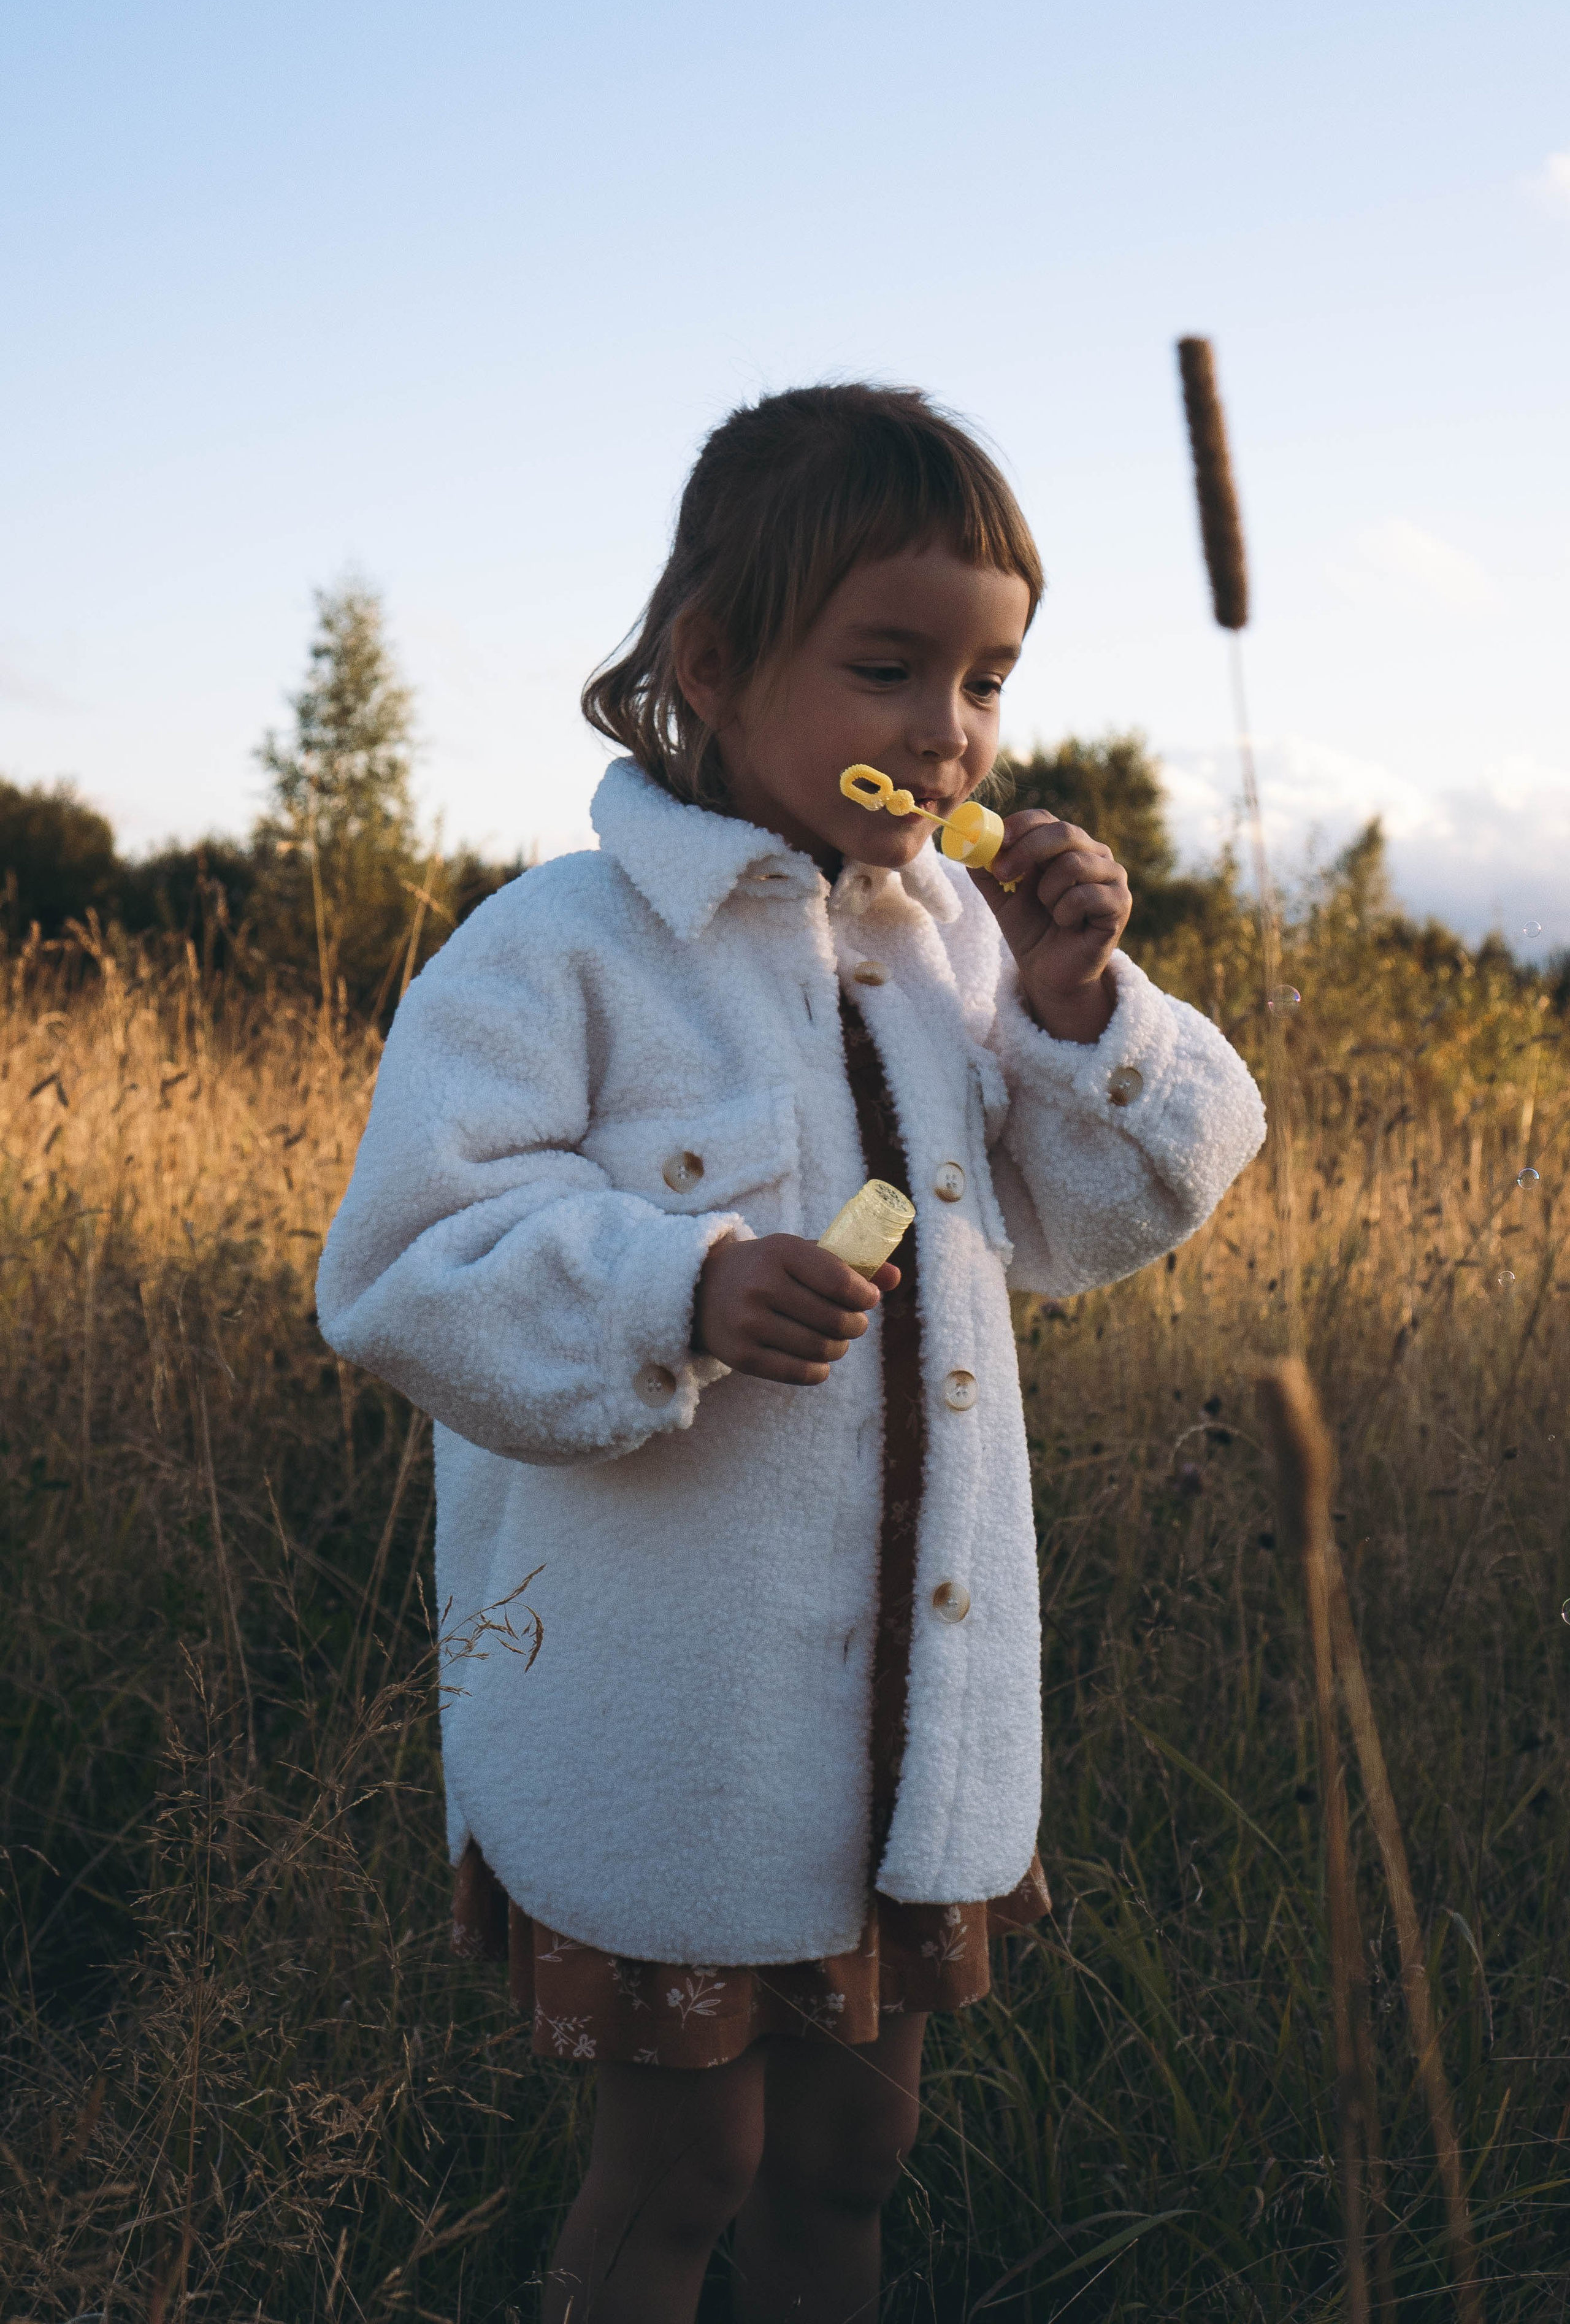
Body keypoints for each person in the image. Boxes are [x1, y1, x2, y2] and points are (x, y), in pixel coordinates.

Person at [316, 382, 1265, 2322]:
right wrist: (678, 1289)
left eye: (990, 678)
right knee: (689, 2170)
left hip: (907, 1728)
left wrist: (1086, 1007)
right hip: (679, 1735)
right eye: (891, 666)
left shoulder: (954, 953)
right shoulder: (561, 951)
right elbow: (409, 1263)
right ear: (714, 662)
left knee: (853, 2153)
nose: (950, 733)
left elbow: (1098, 1216)